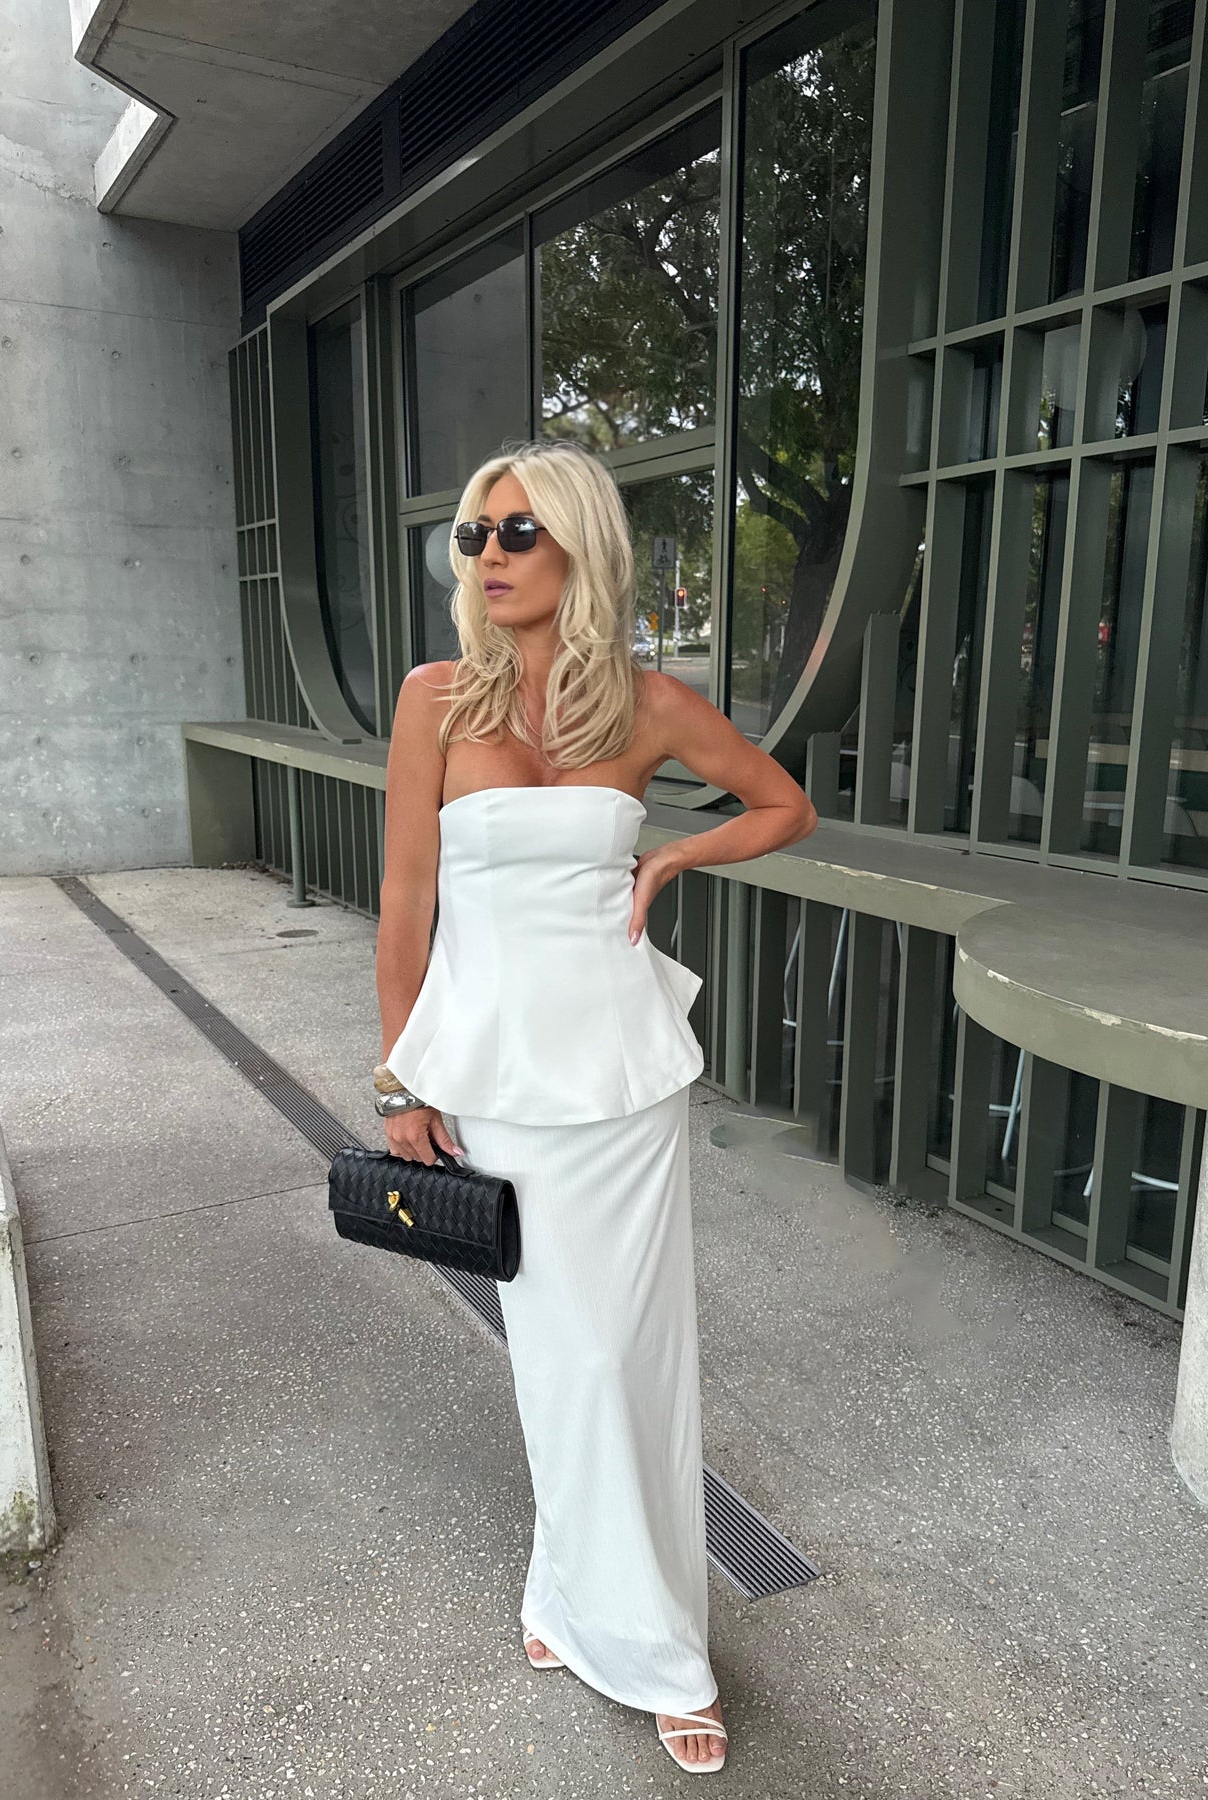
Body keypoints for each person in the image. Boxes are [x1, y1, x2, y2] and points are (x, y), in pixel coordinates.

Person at [374, 439, 817, 1773]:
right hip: (501, 1079)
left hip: (623, 1079)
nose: (491, 556)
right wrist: (401, 1077)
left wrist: (674, 855)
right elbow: (405, 902)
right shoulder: (433, 700)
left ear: (582, 548)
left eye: (519, 532)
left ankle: (654, 1640)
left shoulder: (650, 704)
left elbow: (783, 805)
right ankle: (580, 1601)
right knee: (560, 1357)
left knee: (634, 1352)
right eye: (475, 536)